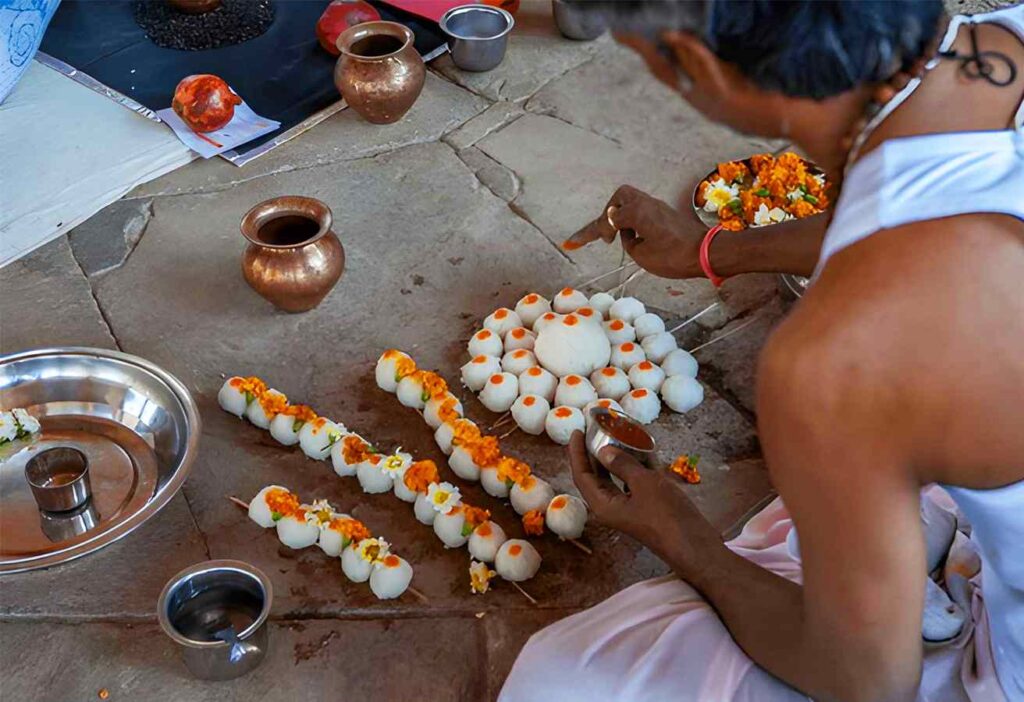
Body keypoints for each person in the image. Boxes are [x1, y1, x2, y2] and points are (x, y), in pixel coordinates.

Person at [500, 2, 1024, 701]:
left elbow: (866, 682)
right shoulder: (1004, 42)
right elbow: (924, 198)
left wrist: (682, 536)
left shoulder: (837, 359)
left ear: (701, 67)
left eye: (650, 61)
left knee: (565, 676)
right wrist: (713, 249)